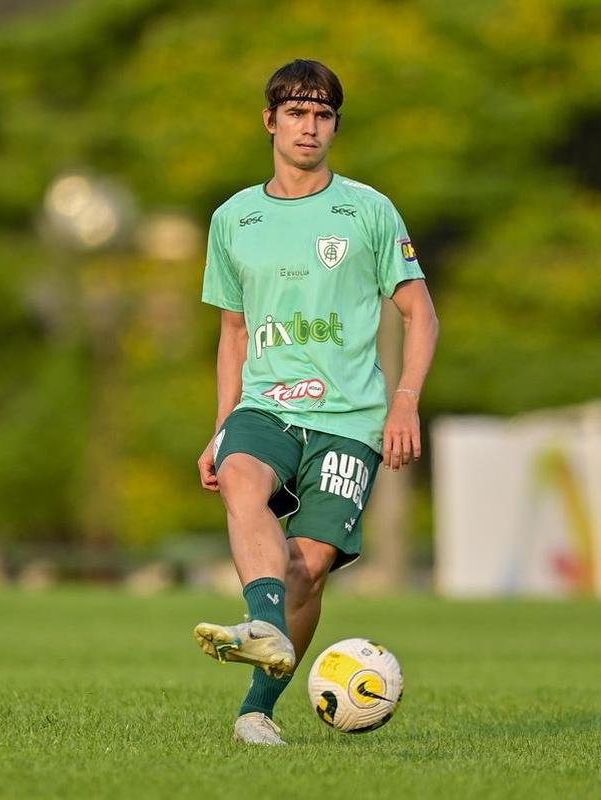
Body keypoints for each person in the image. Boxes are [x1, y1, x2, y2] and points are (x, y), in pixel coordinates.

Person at [193, 58, 439, 746]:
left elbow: (420, 314)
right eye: (296, 113)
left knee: (306, 570)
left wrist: (405, 402)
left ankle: (256, 709)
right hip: (265, 405)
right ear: (269, 121)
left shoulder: (366, 210)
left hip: (349, 419)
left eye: (323, 114)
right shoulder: (233, 218)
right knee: (240, 478)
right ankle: (261, 622)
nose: (310, 126)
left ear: (334, 124)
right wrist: (220, 427)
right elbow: (233, 332)